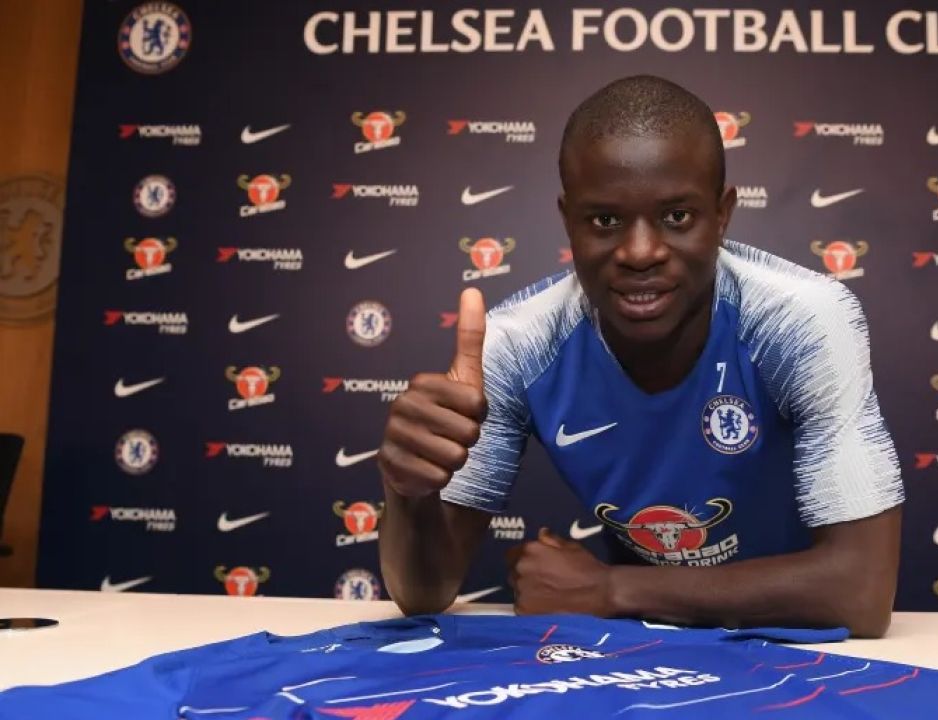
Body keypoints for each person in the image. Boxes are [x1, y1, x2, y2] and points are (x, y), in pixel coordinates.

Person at [377, 75, 903, 636]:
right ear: (568, 221)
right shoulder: (520, 344)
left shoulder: (800, 319)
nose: (640, 252)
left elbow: (861, 594)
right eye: (605, 221)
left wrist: (611, 590)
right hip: (642, 650)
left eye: (677, 217)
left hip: (795, 650)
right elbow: (424, 593)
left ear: (722, 214)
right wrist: (409, 494)